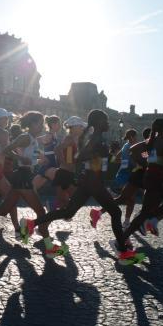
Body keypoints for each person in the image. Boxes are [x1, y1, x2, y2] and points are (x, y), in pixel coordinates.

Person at [20, 110, 129, 260]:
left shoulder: (96, 137)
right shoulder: (95, 138)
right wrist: (89, 159)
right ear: (98, 123)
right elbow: (82, 157)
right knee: (115, 212)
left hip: (89, 181)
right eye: (106, 121)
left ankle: (31, 224)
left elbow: (88, 159)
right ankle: (123, 251)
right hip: (93, 182)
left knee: (68, 212)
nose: (108, 124)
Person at [0, 112, 66, 256]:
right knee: (41, 212)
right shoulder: (26, 137)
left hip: (22, 176)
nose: (42, 126)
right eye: (40, 123)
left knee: (3, 209)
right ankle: (48, 246)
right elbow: (6, 150)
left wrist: (38, 160)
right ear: (32, 124)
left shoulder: (31, 138)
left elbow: (24, 155)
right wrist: (21, 158)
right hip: (23, 178)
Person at [123, 119, 163, 240]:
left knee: (145, 213)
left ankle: (123, 239)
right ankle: (122, 240)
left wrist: (146, 163)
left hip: (149, 177)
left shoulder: (152, 141)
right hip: (157, 179)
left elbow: (135, 151)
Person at [32, 115, 63, 192]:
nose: (60, 126)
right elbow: (33, 142)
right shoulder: (49, 136)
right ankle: (59, 203)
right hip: (48, 165)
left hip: (52, 164)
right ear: (53, 125)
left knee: (32, 189)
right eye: (59, 124)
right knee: (63, 184)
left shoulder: (54, 135)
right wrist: (38, 156)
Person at [113, 128, 137, 228]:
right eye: (136, 136)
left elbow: (116, 159)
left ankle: (127, 221)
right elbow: (144, 157)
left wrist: (124, 162)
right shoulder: (134, 146)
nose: (137, 138)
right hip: (130, 175)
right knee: (130, 199)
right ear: (132, 137)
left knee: (129, 199)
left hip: (122, 175)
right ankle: (126, 221)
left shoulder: (125, 146)